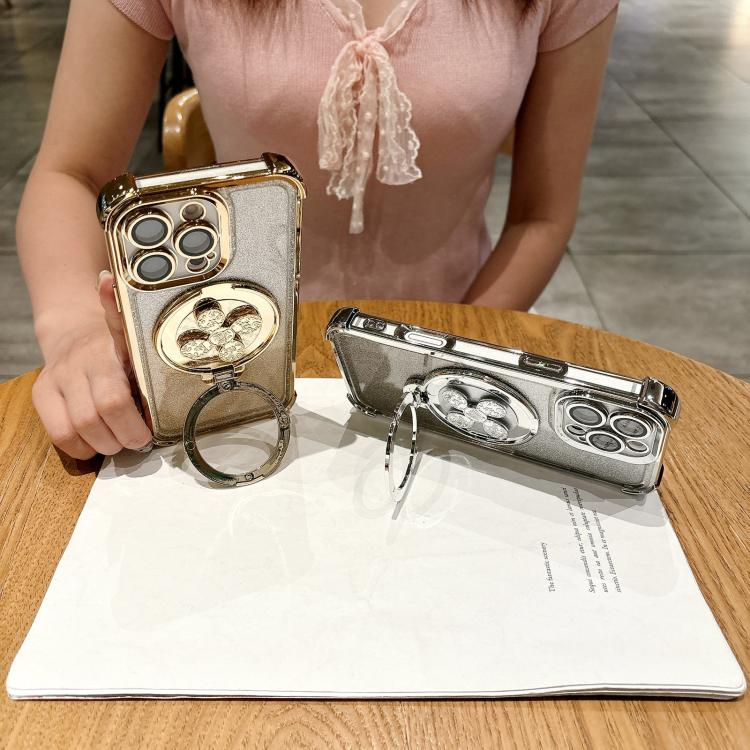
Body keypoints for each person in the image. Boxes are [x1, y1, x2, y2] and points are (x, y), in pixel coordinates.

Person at [16, 0, 618, 460]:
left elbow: (542, 216)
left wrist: (445, 361)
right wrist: (73, 330)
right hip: (223, 368)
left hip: (446, 351)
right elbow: (72, 174)